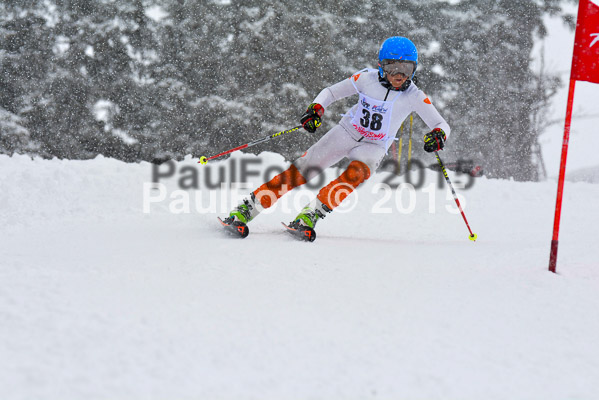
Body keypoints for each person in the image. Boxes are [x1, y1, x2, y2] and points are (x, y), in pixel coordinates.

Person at [222, 36, 450, 239]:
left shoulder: (415, 96)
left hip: (374, 146)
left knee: (354, 176)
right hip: (346, 133)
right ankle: (246, 210)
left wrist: (438, 135)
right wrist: (316, 109)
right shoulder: (366, 79)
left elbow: (441, 124)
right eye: (393, 67)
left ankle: (309, 216)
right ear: (381, 65)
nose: (399, 75)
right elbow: (331, 92)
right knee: (302, 170)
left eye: (407, 68)